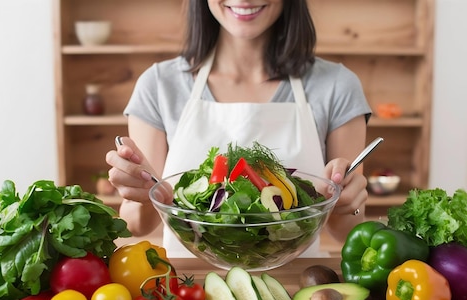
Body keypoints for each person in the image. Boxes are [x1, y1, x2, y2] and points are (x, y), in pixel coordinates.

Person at [105, 0, 371, 257]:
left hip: (295, 282)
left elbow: (347, 231)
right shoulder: (159, 85)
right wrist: (142, 193)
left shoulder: (337, 85)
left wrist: (347, 203)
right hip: (192, 283)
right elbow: (136, 225)